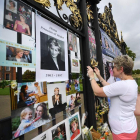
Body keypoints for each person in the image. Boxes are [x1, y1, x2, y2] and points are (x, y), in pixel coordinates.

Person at [87, 55, 138, 140]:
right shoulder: (130, 83)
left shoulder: (123, 85)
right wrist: (99, 76)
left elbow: (97, 91)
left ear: (121, 69)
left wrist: (91, 77)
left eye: (114, 67)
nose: (112, 69)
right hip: (126, 129)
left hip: (122, 132)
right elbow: (112, 88)